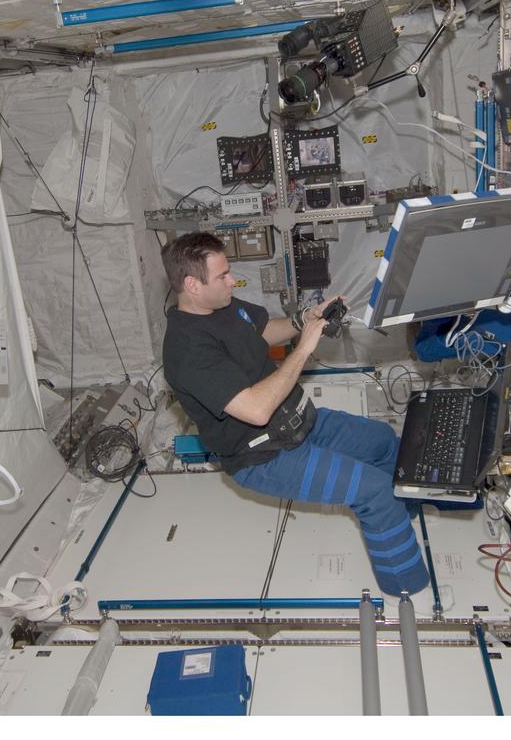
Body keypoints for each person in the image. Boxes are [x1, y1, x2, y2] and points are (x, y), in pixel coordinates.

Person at [160, 232, 429, 596]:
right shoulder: (186, 349)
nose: (232, 280)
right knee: (374, 491)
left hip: (302, 422)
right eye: (223, 275)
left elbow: (260, 330)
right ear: (192, 284)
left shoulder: (220, 305)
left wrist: (306, 320)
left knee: (384, 443)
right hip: (265, 456)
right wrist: (303, 349)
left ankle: (397, 517)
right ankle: (406, 588)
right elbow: (256, 410)